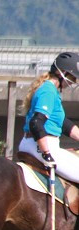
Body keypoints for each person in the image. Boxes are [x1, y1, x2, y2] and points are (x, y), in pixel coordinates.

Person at [17, 52, 79, 181]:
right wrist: (46, 153)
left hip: (32, 144)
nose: (72, 82)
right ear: (61, 72)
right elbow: (36, 123)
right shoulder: (48, 91)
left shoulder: (51, 91)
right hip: (40, 147)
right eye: (72, 78)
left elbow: (63, 124)